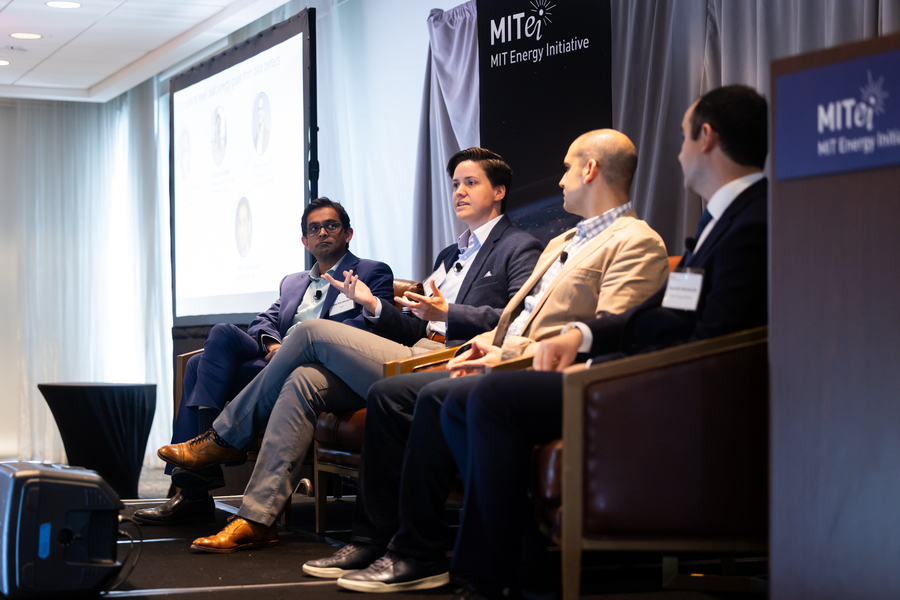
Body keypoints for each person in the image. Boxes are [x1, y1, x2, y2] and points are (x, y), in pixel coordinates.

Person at [303, 129, 672, 593]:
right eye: (455, 184)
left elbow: (607, 334)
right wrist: (485, 347)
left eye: (566, 168)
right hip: (503, 356)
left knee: (430, 396)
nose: (560, 180)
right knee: (388, 393)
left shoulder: (635, 241)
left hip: (548, 372)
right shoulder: (563, 241)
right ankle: (374, 540)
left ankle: (418, 551)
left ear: (590, 169)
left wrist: (504, 352)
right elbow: (518, 319)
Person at [439, 84, 770, 600]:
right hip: (642, 373)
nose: (680, 152)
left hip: (673, 392)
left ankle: (494, 574)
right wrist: (585, 335)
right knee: (461, 400)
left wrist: (602, 370)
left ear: (707, 137)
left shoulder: (755, 220)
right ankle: (521, 567)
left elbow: (710, 342)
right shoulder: (721, 218)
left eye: (684, 138)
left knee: (491, 395)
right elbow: (668, 311)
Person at [152, 148, 544, 551]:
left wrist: (450, 313)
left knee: (309, 334)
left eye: (470, 183)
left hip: (452, 360)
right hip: (416, 349)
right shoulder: (451, 254)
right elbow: (412, 328)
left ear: (499, 191)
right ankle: (258, 518)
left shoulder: (519, 246)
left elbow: (520, 320)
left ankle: (222, 437)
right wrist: (374, 305)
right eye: (456, 184)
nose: (459, 191)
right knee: (302, 379)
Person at [133, 197, 394, 525]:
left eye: (331, 225)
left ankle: (196, 484)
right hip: (276, 364)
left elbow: (370, 331)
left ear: (348, 233)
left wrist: (301, 347)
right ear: (305, 241)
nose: (322, 232)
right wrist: (273, 345)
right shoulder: (293, 282)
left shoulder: (371, 271)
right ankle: (201, 471)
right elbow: (263, 320)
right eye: (314, 228)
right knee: (214, 344)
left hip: (319, 368)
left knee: (200, 368)